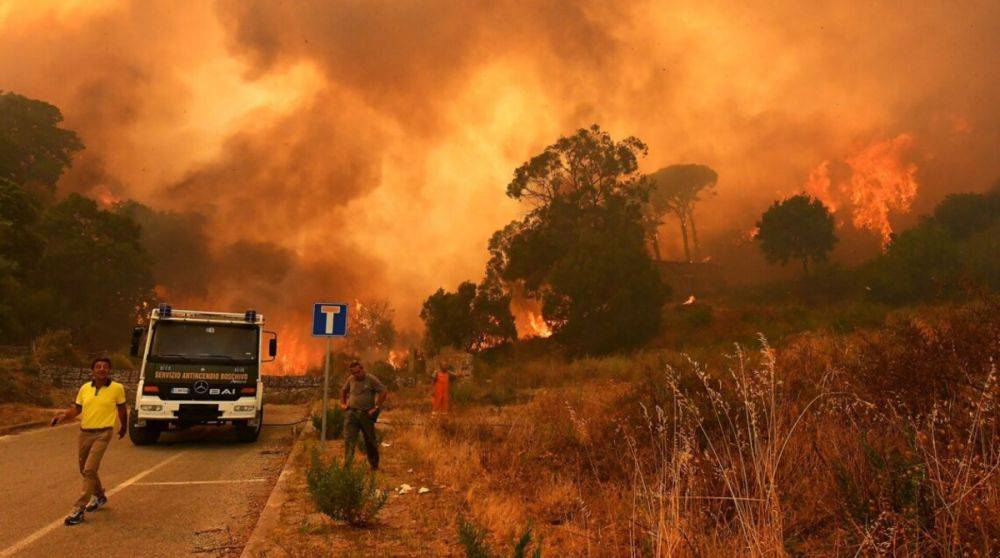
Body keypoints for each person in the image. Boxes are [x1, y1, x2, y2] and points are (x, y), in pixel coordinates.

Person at [50, 357, 128, 526]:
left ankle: (79, 509)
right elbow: (77, 408)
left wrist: (124, 426)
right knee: (84, 469)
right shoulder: (85, 388)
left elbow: (122, 409)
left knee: (90, 469)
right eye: (98, 367)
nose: (101, 369)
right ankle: (99, 495)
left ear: (109, 370)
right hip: (85, 432)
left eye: (105, 367)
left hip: (103, 433)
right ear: (92, 371)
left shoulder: (117, 388)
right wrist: (64, 416)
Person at [339, 361, 387, 470]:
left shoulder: (371, 379)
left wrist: (376, 406)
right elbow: (343, 390)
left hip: (366, 414)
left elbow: (383, 391)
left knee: (370, 440)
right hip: (352, 413)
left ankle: (374, 466)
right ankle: (347, 466)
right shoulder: (351, 379)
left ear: (362, 369)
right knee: (349, 439)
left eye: (357, 372)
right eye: (353, 373)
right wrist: (343, 403)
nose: (356, 375)